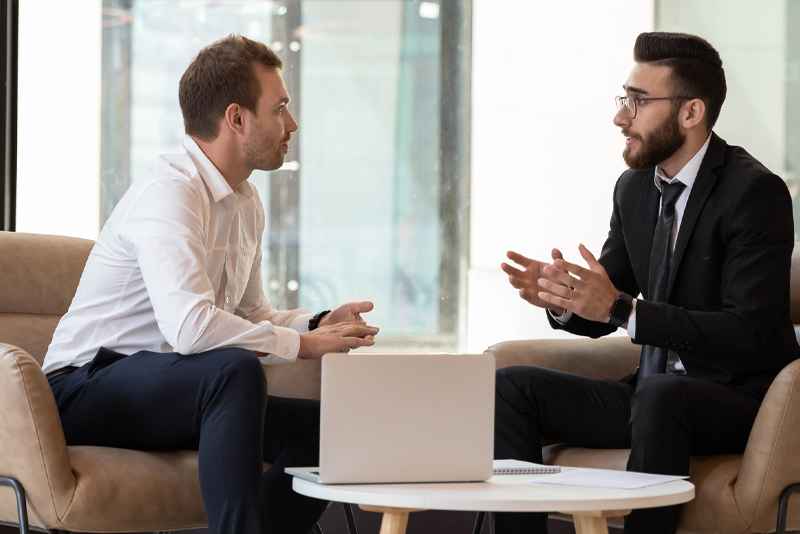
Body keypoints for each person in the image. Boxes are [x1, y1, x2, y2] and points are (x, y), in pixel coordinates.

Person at [41, 34, 379, 534]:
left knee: (328, 431)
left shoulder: (246, 202)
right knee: (234, 370)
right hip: (82, 387)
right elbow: (191, 330)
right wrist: (303, 345)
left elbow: (251, 315)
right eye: (280, 107)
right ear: (237, 118)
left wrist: (317, 323)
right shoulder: (170, 192)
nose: (293, 123)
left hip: (175, 387)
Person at [494, 32, 800, 534]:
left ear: (691, 112)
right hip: (654, 396)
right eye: (624, 99)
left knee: (661, 395)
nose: (621, 117)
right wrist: (565, 299)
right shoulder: (634, 188)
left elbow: (746, 333)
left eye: (638, 102)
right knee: (511, 387)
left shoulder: (754, 193)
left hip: (739, 399)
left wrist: (621, 310)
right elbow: (605, 299)